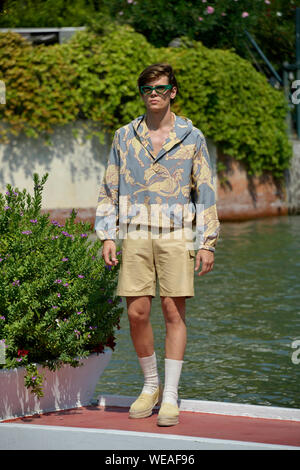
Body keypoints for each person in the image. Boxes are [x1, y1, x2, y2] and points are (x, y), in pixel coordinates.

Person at [94, 63, 220, 426]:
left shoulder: (191, 136)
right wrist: (106, 233)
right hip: (134, 232)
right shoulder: (124, 135)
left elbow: (206, 189)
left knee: (172, 310)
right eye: (147, 88)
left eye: (161, 88)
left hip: (177, 232)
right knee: (136, 312)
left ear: (173, 92)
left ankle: (170, 395)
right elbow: (110, 185)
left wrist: (207, 241)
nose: (153, 94)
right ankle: (150, 386)